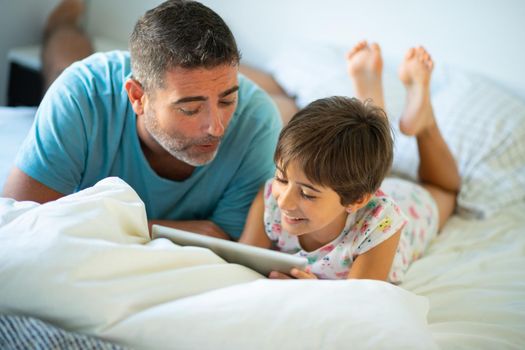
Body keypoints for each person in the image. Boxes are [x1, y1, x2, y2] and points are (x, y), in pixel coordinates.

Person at [2, 0, 282, 240]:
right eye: (190, 109)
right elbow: (21, 219)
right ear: (137, 97)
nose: (217, 127)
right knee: (60, 71)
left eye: (227, 100)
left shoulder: (258, 122)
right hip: (89, 88)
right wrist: (154, 228)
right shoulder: (81, 93)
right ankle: (62, 24)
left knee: (281, 107)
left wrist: (96, 223)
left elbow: (229, 241)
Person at [239, 42, 460, 283]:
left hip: (407, 202)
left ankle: (425, 121)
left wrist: (310, 291)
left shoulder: (380, 226)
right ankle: (372, 110)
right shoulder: (272, 196)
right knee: (357, 168)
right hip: (349, 187)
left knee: (444, 190)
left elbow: (357, 303)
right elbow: (242, 264)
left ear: (357, 200)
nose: (285, 200)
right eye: (282, 178)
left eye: (307, 194)